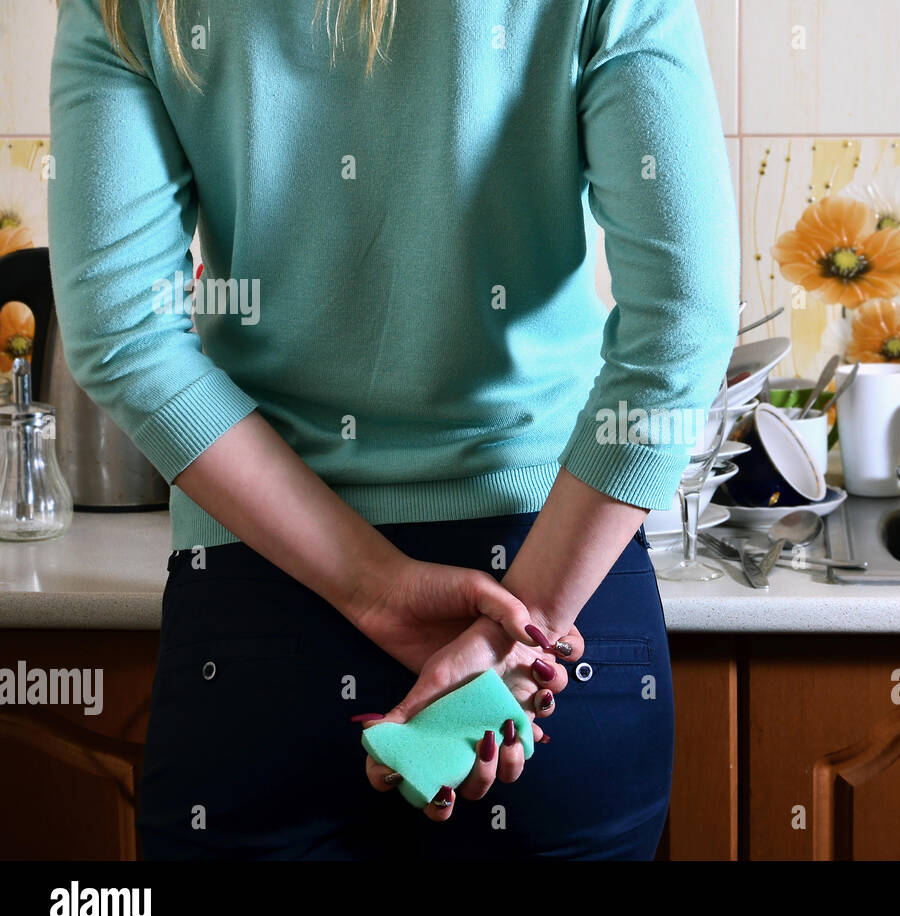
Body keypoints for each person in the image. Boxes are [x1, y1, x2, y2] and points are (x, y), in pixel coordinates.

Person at [47, 0, 738, 859]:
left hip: (262, 616)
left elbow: (122, 331)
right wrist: (510, 638)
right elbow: (686, 319)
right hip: (560, 612)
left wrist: (375, 586)